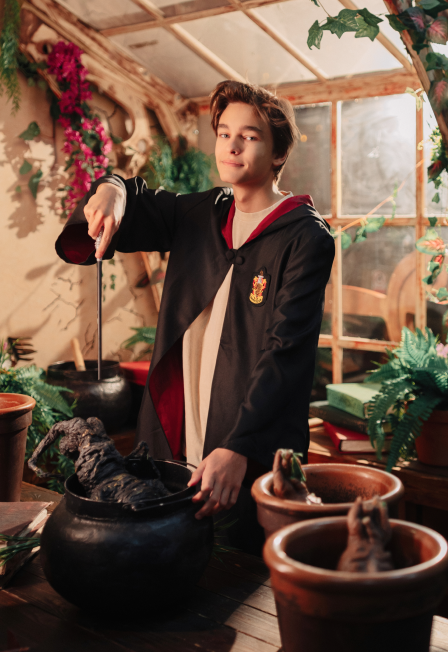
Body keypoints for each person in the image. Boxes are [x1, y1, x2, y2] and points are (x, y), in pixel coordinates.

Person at [56, 80, 335, 554]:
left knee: (242, 572)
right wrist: (110, 190)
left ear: (278, 153)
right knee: (164, 557)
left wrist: (239, 446)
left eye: (249, 136)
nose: (231, 145)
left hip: (247, 445)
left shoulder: (305, 238)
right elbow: (132, 197)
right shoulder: (201, 214)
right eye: (224, 133)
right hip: (176, 430)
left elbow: (285, 354)